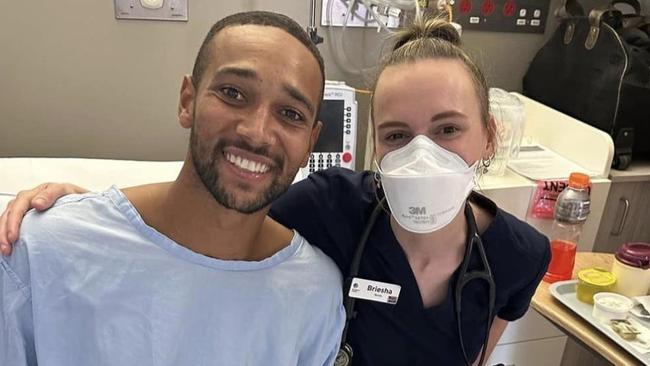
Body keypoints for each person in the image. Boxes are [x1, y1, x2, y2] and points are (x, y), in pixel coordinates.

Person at [0, 14, 551, 366]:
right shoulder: (331, 208)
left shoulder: (519, 254)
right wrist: (80, 214)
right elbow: (216, 216)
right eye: (397, 135)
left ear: (489, 135)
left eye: (448, 128)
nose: (258, 131)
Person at [0, 11, 345, 366]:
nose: (256, 133)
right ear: (187, 101)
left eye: (290, 114)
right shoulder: (42, 250)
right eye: (233, 93)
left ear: (309, 144)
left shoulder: (315, 293)